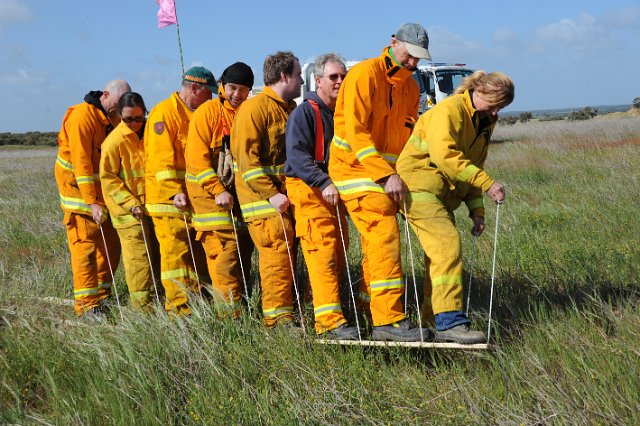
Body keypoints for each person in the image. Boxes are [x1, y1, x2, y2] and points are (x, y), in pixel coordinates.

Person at [328, 23, 433, 342]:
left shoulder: (411, 87)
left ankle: (367, 309)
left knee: (382, 243)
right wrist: (386, 175)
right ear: (393, 43)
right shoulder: (364, 75)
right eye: (410, 54)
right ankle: (388, 320)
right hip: (353, 170)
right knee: (384, 233)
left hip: (385, 177)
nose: (413, 62)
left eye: (419, 57)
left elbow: (409, 138)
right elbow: (357, 133)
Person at [396, 71, 514, 344]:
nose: (496, 112)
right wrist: (487, 183)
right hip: (418, 186)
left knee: (437, 258)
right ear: (478, 91)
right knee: (448, 245)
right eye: (494, 103)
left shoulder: (484, 120)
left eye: (502, 107)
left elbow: (473, 165)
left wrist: (477, 211)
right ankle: (450, 323)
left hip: (440, 195)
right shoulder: (449, 110)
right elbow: (445, 156)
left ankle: (430, 322)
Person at [284, 53, 359, 340]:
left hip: (333, 192)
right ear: (318, 81)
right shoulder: (305, 113)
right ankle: (328, 324)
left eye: (343, 77)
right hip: (310, 190)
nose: (340, 82)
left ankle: (323, 308)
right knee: (322, 253)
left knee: (338, 254)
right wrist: (323, 180)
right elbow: (297, 157)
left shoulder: (340, 115)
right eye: (333, 77)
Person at [231, 51, 303, 328]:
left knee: (286, 259)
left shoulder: (290, 109)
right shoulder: (254, 109)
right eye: (297, 75)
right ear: (284, 76)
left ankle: (288, 312)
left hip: (283, 199)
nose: (300, 81)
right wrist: (272, 195)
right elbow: (247, 161)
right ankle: (277, 323)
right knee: (276, 258)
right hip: (263, 201)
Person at [55, 79, 131, 321]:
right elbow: (82, 164)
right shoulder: (82, 116)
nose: (120, 110)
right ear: (106, 95)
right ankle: (87, 307)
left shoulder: (112, 118)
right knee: (85, 250)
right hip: (79, 195)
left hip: (102, 196)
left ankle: (102, 296)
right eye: (118, 104)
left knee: (111, 246)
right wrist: (92, 202)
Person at [144, 66, 215, 316]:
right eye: (208, 93)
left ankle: (196, 302)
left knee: (193, 258)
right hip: (168, 202)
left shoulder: (194, 114)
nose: (211, 98)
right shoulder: (165, 113)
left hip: (190, 201)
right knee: (175, 260)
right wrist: (174, 192)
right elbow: (160, 160)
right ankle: (178, 311)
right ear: (194, 88)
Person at [186, 62, 255, 315]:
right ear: (223, 86)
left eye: (243, 90)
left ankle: (243, 309)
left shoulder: (247, 113)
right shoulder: (206, 114)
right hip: (210, 201)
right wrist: (218, 191)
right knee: (225, 258)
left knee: (241, 256)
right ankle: (231, 319)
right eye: (233, 88)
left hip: (238, 201)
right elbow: (197, 162)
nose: (237, 94)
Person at [100, 92, 156, 312]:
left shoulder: (151, 134)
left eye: (138, 118)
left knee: (157, 257)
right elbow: (108, 179)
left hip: (151, 207)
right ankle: (142, 309)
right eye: (128, 119)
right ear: (119, 116)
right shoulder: (113, 142)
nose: (134, 123)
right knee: (138, 261)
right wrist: (131, 203)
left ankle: (159, 298)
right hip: (128, 214)